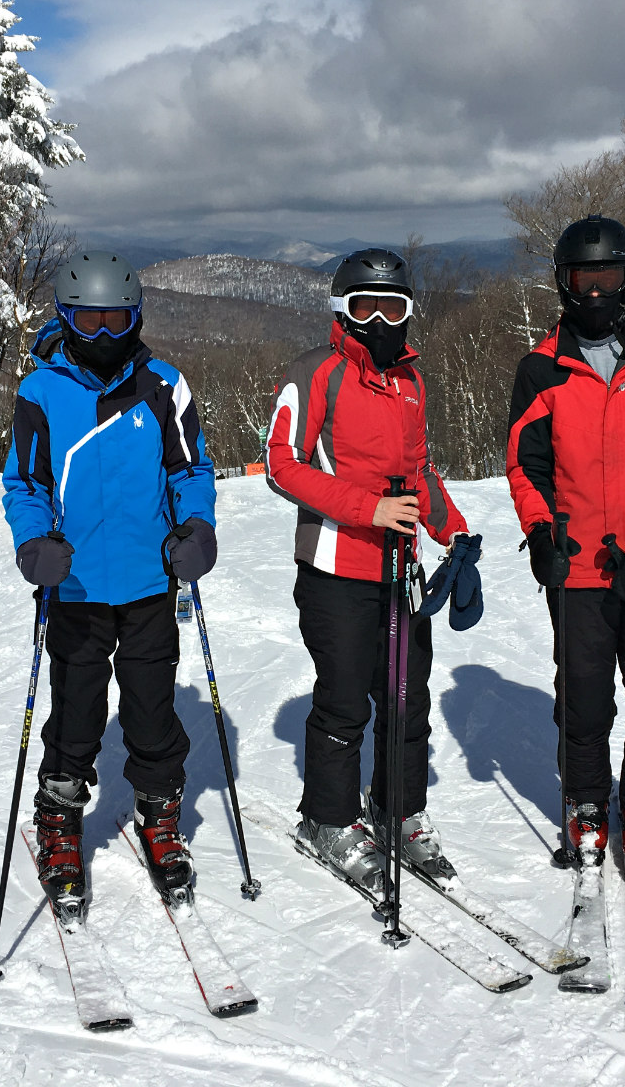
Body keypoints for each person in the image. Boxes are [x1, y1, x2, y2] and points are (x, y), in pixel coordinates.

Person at [1, 250, 217, 909]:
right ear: (65, 318)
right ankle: (60, 820)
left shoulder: (164, 385)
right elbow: (26, 483)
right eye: (87, 321)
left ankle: (159, 816)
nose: (102, 336)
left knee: (153, 715)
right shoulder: (42, 392)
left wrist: (196, 527)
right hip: (75, 588)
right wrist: (34, 542)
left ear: (136, 318)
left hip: (150, 583)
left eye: (116, 320)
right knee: (76, 713)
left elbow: (189, 471)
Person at [265, 248, 472, 892]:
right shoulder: (315, 375)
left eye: (394, 307)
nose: (380, 320)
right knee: (346, 699)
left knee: (408, 699)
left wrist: (456, 531)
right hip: (335, 567)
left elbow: (420, 473)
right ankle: (328, 819)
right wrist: (367, 509)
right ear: (342, 311)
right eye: (365, 307)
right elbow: (282, 466)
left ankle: (399, 812)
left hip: (400, 570)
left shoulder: (411, 383)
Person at [505, 215, 625, 881]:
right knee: (583, 700)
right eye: (583, 280)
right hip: (578, 567)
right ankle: (587, 806)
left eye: (606, 278)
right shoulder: (541, 368)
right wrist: (539, 533)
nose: (594, 294)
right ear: (564, 284)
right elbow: (525, 464)